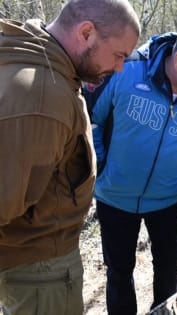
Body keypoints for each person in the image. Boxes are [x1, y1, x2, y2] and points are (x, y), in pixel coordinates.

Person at [0, 1, 140, 314]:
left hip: (36, 265)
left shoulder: (50, 67)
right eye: (119, 55)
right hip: (38, 270)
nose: (120, 68)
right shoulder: (41, 93)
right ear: (87, 32)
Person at [90, 24, 177, 313]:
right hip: (114, 197)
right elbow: (91, 121)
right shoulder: (125, 72)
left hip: (166, 202)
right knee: (119, 273)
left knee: (167, 274)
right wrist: (100, 167)